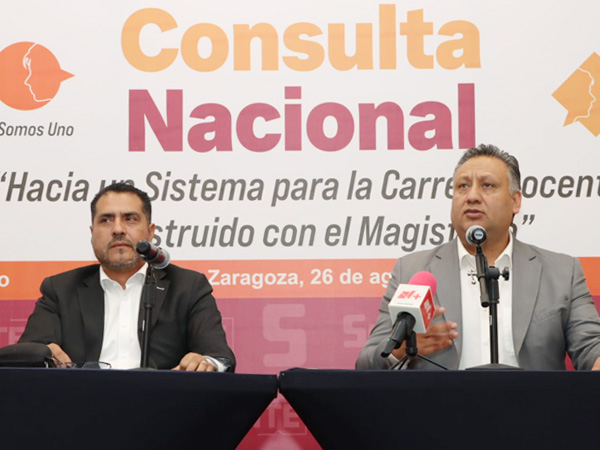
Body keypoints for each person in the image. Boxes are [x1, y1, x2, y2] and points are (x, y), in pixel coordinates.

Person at [356, 144, 600, 371]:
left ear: (515, 201)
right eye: (462, 186)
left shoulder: (561, 272)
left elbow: (591, 347)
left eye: (487, 185)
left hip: (532, 403)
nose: (471, 196)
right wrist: (401, 350)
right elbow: (367, 363)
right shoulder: (413, 270)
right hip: (442, 403)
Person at [19, 182, 235, 371]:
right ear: (92, 233)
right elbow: (22, 358)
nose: (118, 229)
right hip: (83, 400)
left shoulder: (188, 286)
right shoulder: (60, 289)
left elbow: (220, 357)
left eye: (130, 219)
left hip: (163, 400)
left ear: (150, 232)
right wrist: (42, 352)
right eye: (106, 220)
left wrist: (205, 362)